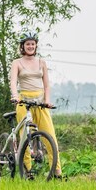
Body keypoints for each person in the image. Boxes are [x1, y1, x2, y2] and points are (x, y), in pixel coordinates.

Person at [9, 30, 62, 179]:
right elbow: (13, 81)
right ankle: (28, 171)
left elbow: (46, 85)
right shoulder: (17, 63)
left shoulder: (42, 62)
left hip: (39, 102)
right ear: (23, 46)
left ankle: (57, 172)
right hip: (23, 101)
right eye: (28, 44)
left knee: (50, 136)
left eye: (33, 44)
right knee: (25, 136)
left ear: (36, 45)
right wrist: (15, 96)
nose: (30, 46)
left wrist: (47, 100)